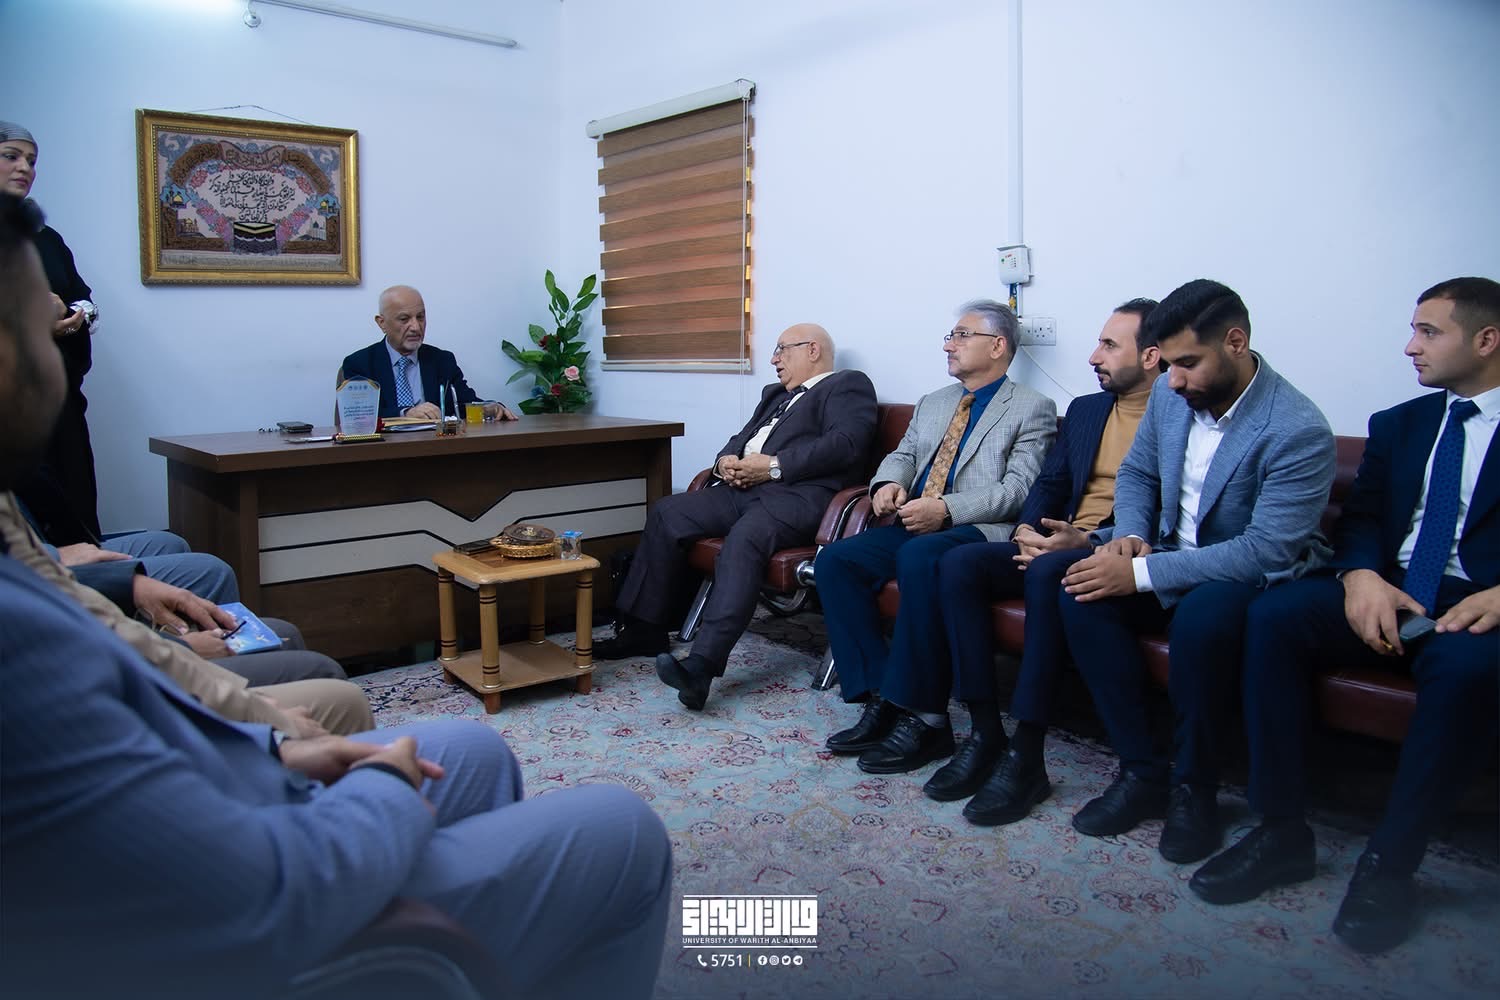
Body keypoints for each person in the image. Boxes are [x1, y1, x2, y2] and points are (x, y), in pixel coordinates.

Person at [0, 191, 671, 1000]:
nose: (63, 341)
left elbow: (470, 412)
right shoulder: (24, 645)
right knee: (624, 825)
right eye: (41, 322)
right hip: (274, 887)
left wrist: (275, 743)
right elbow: (255, 885)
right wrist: (381, 782)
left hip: (255, 780)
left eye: (421, 316)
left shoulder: (445, 360)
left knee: (483, 751)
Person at [1189, 277, 1500, 955]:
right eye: (1413, 330)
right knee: (1275, 616)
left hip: (1481, 599)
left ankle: (1391, 864)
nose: (1410, 346)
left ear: (1486, 339)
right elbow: (1361, 519)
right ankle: (1280, 830)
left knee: (1467, 669)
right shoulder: (1402, 423)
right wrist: (1359, 577)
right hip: (1390, 584)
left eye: (1428, 332)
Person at [1054, 279, 1335, 866]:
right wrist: (1130, 538)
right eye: (1168, 364)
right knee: (1080, 587)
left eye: (1187, 364)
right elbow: (1138, 474)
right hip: (1163, 550)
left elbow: (1266, 551)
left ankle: (1194, 789)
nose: (1173, 380)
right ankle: (1142, 770)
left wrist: (1142, 575)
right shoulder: (1170, 393)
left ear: (1235, 343)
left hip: (1240, 572)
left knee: (1205, 620)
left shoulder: (1297, 427)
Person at [886, 299, 1160, 826]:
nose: (1092, 356)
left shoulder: (1176, 416)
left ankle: (1027, 752)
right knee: (960, 565)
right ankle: (985, 732)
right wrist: (1028, 531)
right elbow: (1050, 483)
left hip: (1111, 548)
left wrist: (1086, 539)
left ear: (1150, 356)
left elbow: (1163, 511)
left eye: (1108, 345)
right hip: (1053, 539)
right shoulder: (1088, 410)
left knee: (1048, 573)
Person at [814, 300, 1057, 761]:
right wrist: (887, 484)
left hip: (978, 530)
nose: (949, 345)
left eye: (962, 336)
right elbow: (903, 455)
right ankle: (883, 696)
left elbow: (1019, 490)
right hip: (916, 523)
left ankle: (925, 716)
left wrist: (945, 510)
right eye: (951, 336)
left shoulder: (1031, 408)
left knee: (919, 557)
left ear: (998, 345)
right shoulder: (935, 402)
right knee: (837, 562)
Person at [599, 324, 878, 710]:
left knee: (745, 538)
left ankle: (701, 666)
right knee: (668, 512)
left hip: (799, 496)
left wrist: (774, 467)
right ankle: (644, 630)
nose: (774, 359)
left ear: (813, 350)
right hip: (743, 489)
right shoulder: (775, 395)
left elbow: (845, 445)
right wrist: (725, 462)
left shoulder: (847, 385)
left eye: (782, 349)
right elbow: (742, 438)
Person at [1, 120, 102, 545]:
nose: (25, 168)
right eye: (11, 157)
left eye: (32, 160)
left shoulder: (45, 238)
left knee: (76, 521)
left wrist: (72, 314)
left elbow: (85, 300)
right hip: (9, 407)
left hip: (59, 406)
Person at [341, 284, 517, 420]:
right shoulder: (359, 363)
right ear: (382, 323)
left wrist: (490, 407)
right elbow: (359, 416)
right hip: (384, 450)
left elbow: (464, 403)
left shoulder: (442, 360)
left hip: (436, 447)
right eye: (404, 319)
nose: (416, 327)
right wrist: (406, 413)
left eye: (420, 317)